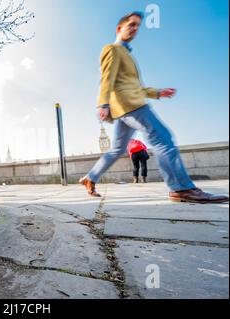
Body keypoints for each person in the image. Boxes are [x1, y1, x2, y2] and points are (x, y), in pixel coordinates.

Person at [79, 12, 229, 204]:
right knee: (163, 138)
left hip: (127, 105)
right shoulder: (113, 49)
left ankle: (90, 177)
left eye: (137, 26)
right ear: (119, 28)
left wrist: (157, 92)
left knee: (116, 149)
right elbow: (106, 78)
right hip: (130, 105)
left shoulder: (126, 54)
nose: (135, 29)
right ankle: (180, 188)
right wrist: (103, 104)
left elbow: (136, 87)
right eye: (131, 24)